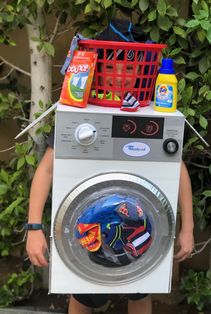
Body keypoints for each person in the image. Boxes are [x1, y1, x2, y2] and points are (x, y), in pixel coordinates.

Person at [25, 19, 194, 314]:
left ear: (143, 70)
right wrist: (35, 228)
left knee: (141, 289)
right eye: (115, 65)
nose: (123, 75)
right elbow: (47, 170)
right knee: (86, 293)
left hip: (142, 227)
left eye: (131, 68)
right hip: (88, 226)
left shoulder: (152, 112)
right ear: (99, 66)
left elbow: (177, 170)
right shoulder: (78, 109)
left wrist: (187, 228)